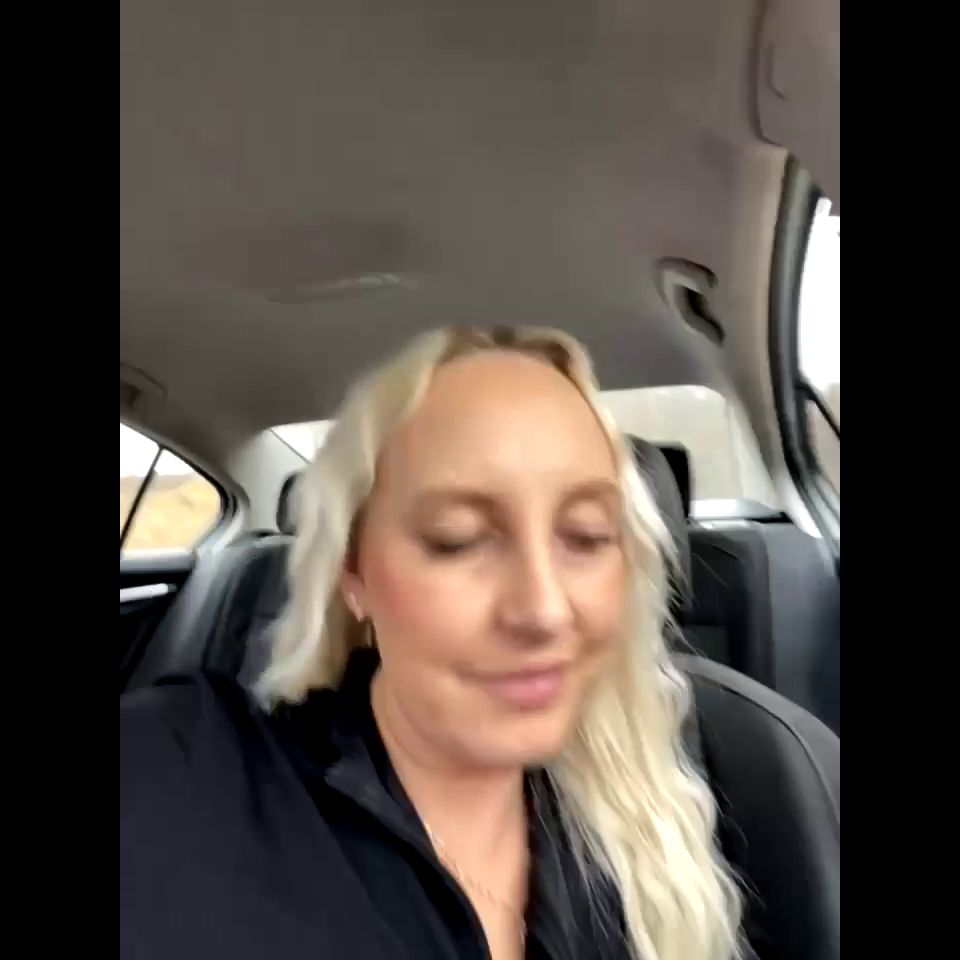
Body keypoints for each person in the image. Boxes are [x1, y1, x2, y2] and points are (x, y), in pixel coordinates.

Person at [120, 325, 745, 960]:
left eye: (586, 536)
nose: (544, 610)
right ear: (353, 572)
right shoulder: (188, 776)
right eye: (458, 538)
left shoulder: (653, 829)